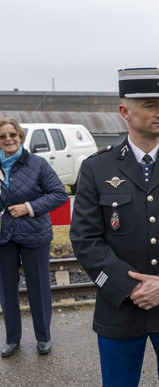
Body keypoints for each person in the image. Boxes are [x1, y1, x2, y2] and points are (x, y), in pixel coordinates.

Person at [69, 68, 159, 386]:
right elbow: (85, 238)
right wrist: (131, 287)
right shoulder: (97, 168)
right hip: (120, 305)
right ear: (125, 112)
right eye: (150, 105)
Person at [0, 117, 68, 357]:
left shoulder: (37, 164)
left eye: (12, 135)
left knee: (38, 287)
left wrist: (28, 206)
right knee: (6, 290)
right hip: (3, 237)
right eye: (3, 136)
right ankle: (12, 339)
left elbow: (59, 194)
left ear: (20, 137)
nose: (8, 139)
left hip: (35, 233)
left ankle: (43, 337)